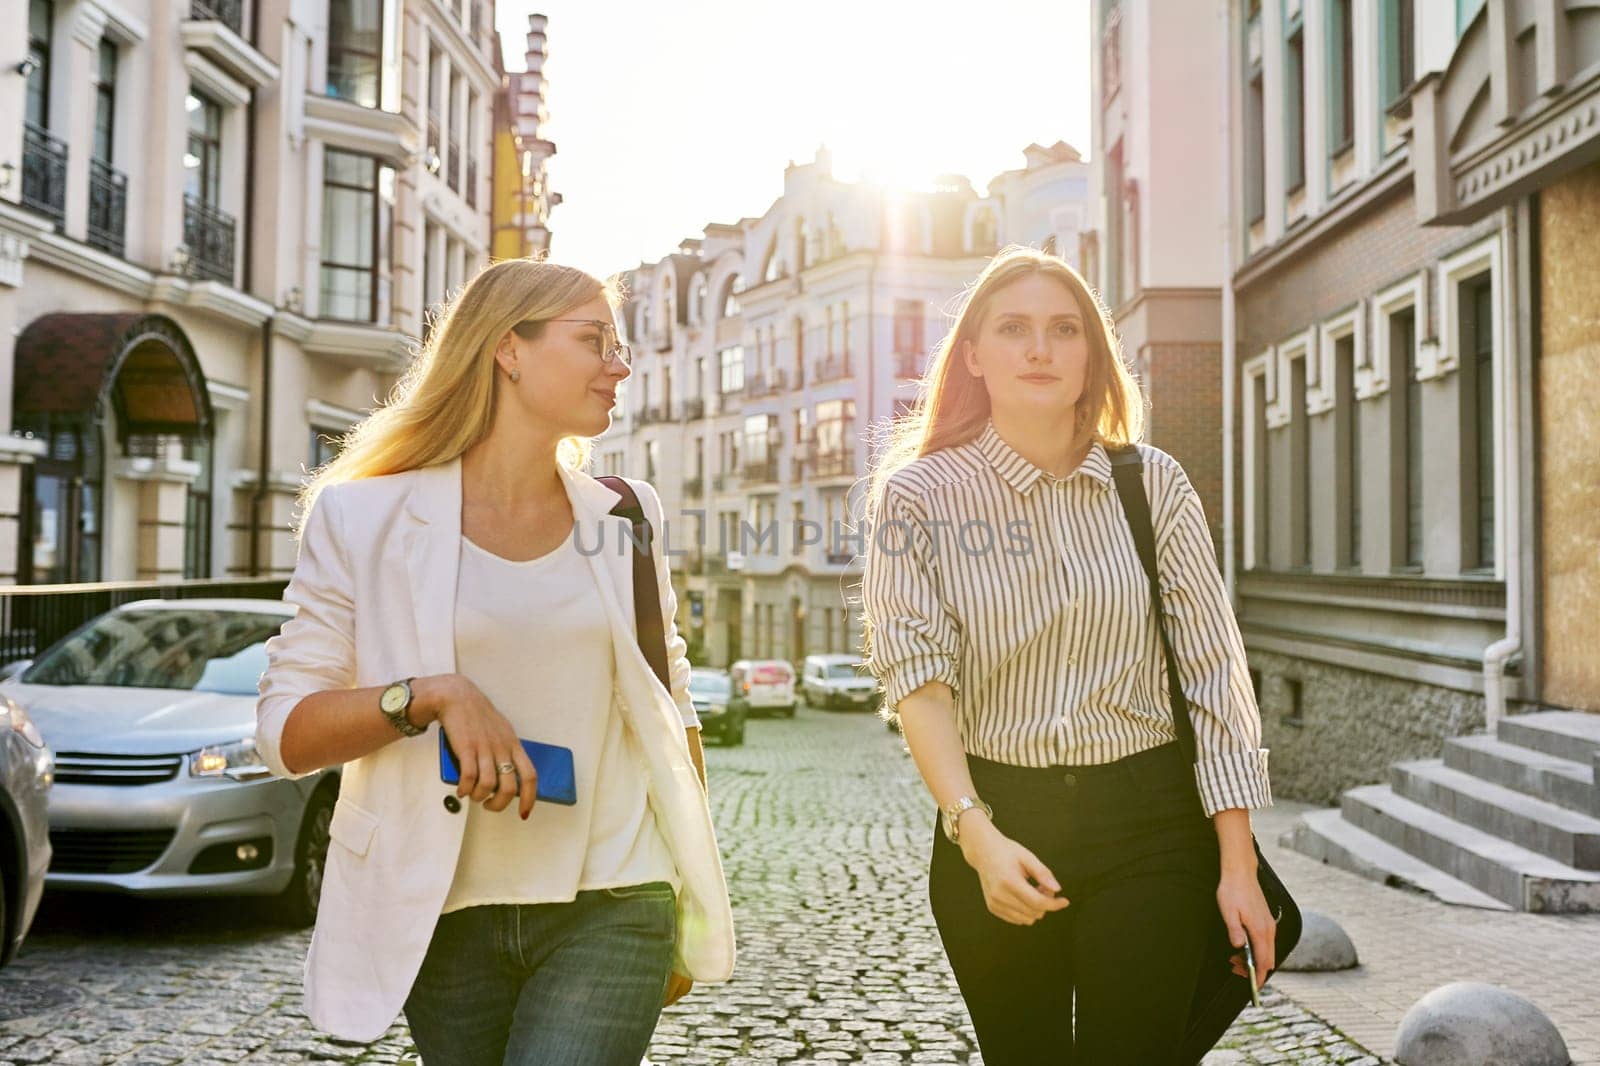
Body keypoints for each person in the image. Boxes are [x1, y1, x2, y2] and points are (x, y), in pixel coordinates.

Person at [255, 258, 734, 1065]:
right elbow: (285, 733)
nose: (620, 365)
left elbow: (669, 704)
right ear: (509, 349)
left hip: (615, 895)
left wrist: (688, 895)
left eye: (618, 345)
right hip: (442, 911)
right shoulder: (362, 517)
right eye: (595, 341)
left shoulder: (623, 516)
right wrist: (428, 696)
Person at [859, 245, 1275, 1063]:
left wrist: (1239, 864)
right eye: (1013, 329)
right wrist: (976, 837)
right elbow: (918, 681)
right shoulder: (917, 496)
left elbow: (1212, 674)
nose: (1040, 348)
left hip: (1152, 822)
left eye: (1064, 329)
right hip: (999, 821)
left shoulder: (1153, 484)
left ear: (1094, 356)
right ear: (973, 356)